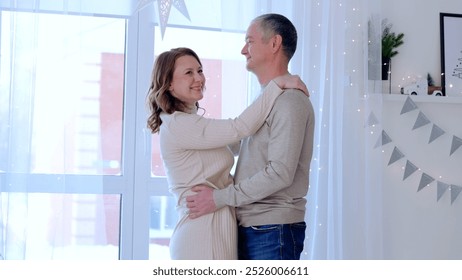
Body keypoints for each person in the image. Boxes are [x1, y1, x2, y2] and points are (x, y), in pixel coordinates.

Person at [146, 47, 308, 260]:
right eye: (188, 73)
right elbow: (240, 128)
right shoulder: (178, 124)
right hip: (201, 231)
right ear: (168, 84)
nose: (199, 78)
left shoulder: (193, 124)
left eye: (200, 70)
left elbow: (242, 140)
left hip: (219, 225)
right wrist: (276, 85)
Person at [186, 13, 315, 260]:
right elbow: (240, 142)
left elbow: (279, 173)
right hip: (255, 227)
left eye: (250, 41)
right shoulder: (268, 98)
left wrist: (218, 198)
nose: (244, 50)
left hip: (272, 230)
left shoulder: (289, 101)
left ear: (274, 44)